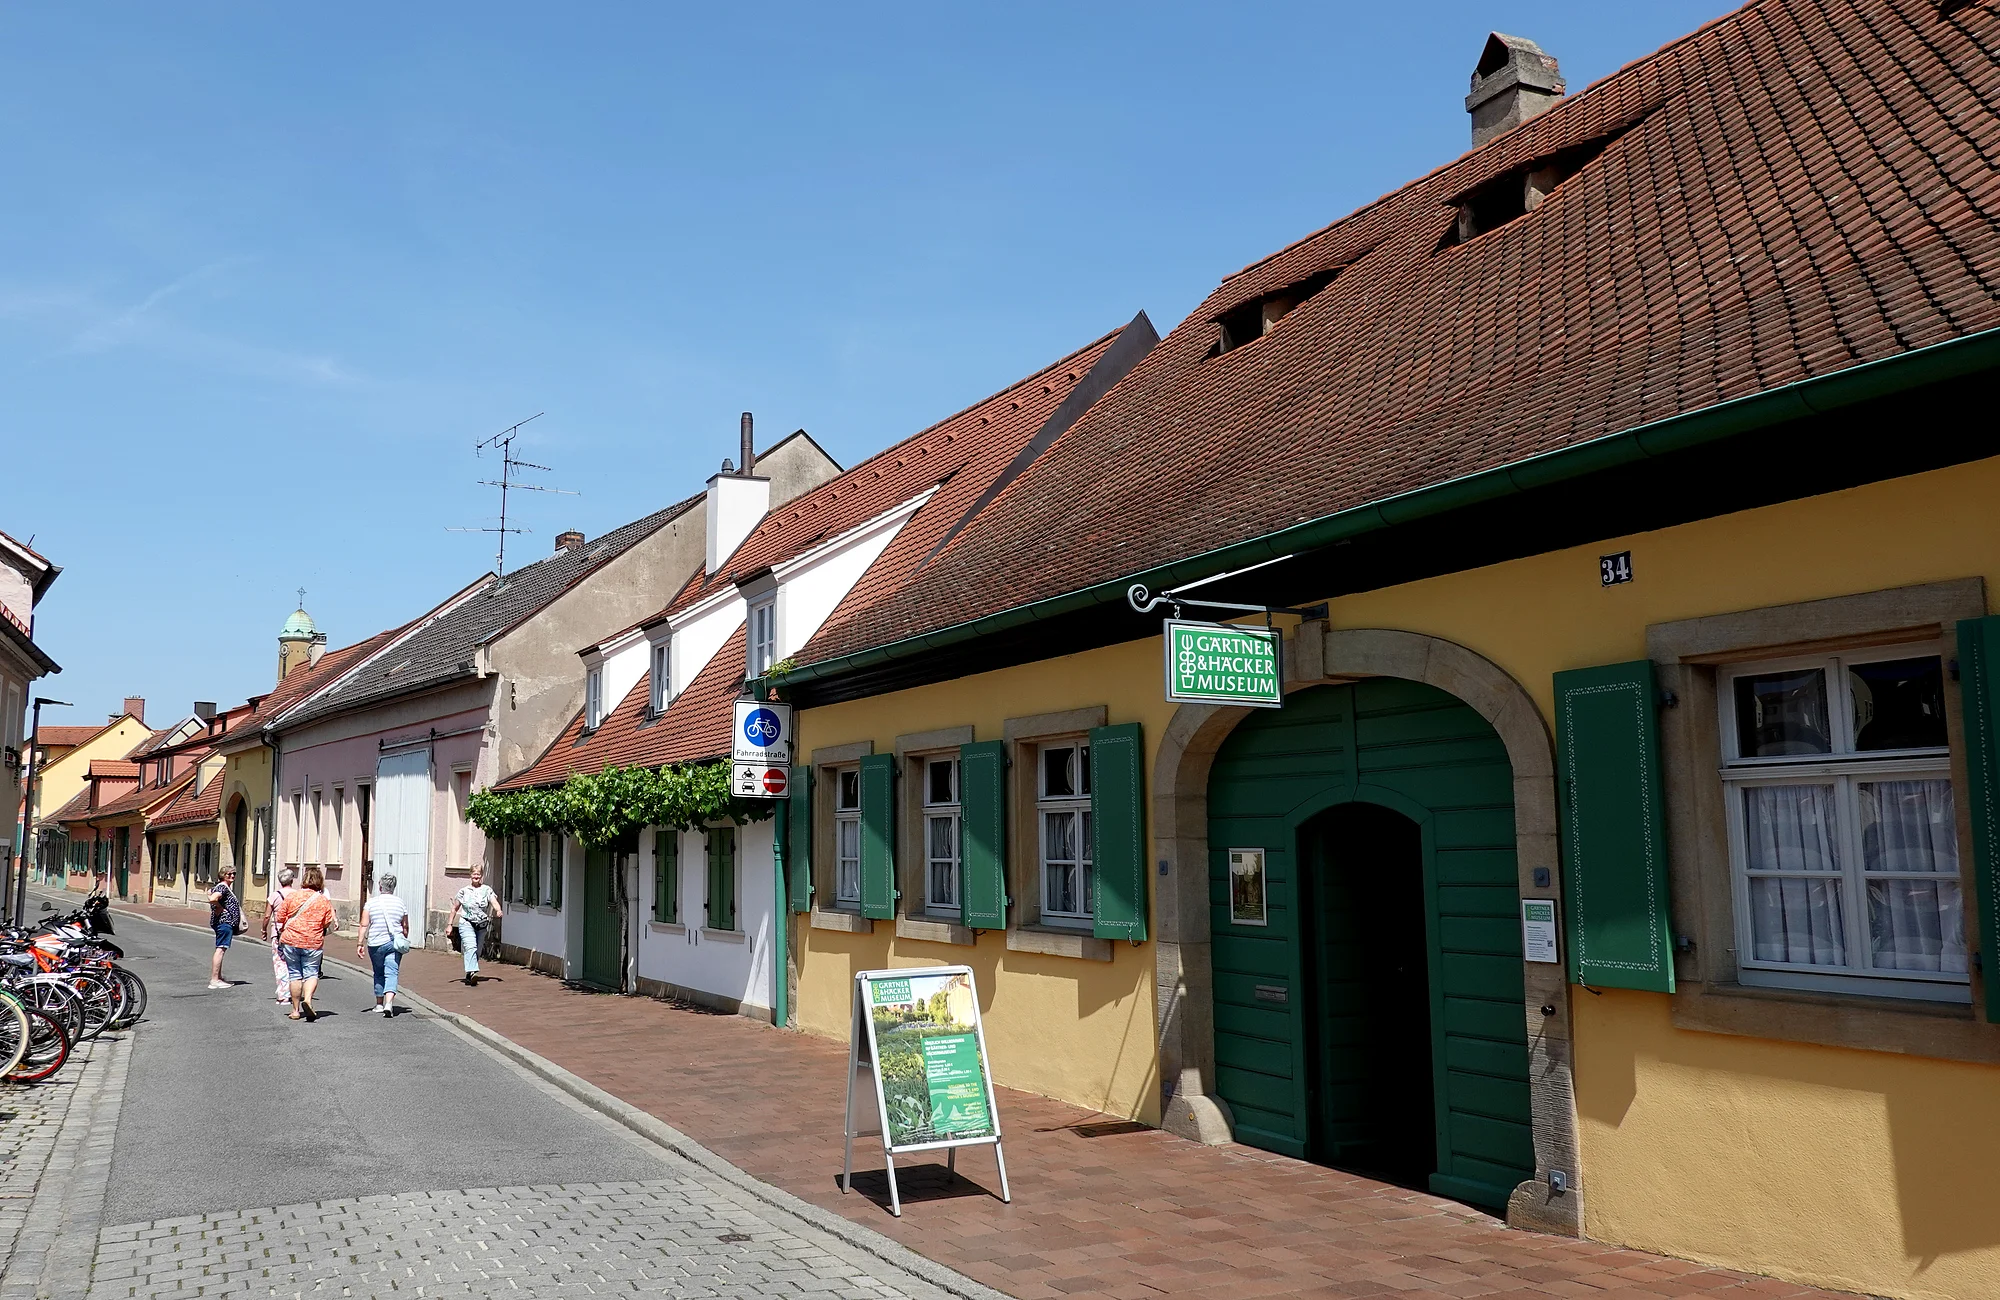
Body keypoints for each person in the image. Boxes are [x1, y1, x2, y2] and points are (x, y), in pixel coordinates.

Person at [271, 866, 335, 1021]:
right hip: (313, 941)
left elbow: (279, 917)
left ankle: (295, 1010)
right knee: (311, 973)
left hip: (291, 940)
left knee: (294, 974)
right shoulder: (323, 901)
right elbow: (328, 922)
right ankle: (308, 1000)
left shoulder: (293, 896)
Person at [357, 875, 410, 1016]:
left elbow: (364, 924)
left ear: (380, 887)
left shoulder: (371, 903)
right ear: (393, 887)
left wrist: (360, 943)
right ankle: (389, 1003)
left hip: (375, 944)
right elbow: (405, 926)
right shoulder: (400, 903)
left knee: (379, 972)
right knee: (392, 972)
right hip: (393, 943)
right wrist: (404, 937)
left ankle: (379, 1004)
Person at [447, 865, 502, 986]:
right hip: (466, 923)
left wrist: (498, 910)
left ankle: (469, 972)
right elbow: (454, 908)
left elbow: (494, 901)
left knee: (477, 950)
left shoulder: (487, 890)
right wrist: (450, 924)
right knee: (470, 947)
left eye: (478, 874)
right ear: (470, 875)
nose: (476, 876)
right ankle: (473, 972)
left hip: (481, 925)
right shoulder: (463, 891)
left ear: (481, 875)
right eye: (474, 874)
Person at [263, 868, 297, 1004]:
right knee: (294, 964)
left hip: (278, 933)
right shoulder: (297, 895)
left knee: (280, 963)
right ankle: (295, 992)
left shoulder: (274, 896)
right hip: (295, 932)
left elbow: (267, 916)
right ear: (292, 880)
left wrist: (263, 930)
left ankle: (283, 995)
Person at [207, 866, 242, 990]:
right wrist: (219, 907)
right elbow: (212, 898)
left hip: (224, 923)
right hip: (224, 923)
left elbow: (209, 894)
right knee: (220, 949)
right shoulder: (222, 887)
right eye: (229, 874)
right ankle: (214, 979)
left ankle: (218, 977)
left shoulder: (222, 887)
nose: (232, 876)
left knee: (221, 949)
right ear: (223, 875)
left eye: (234, 874)